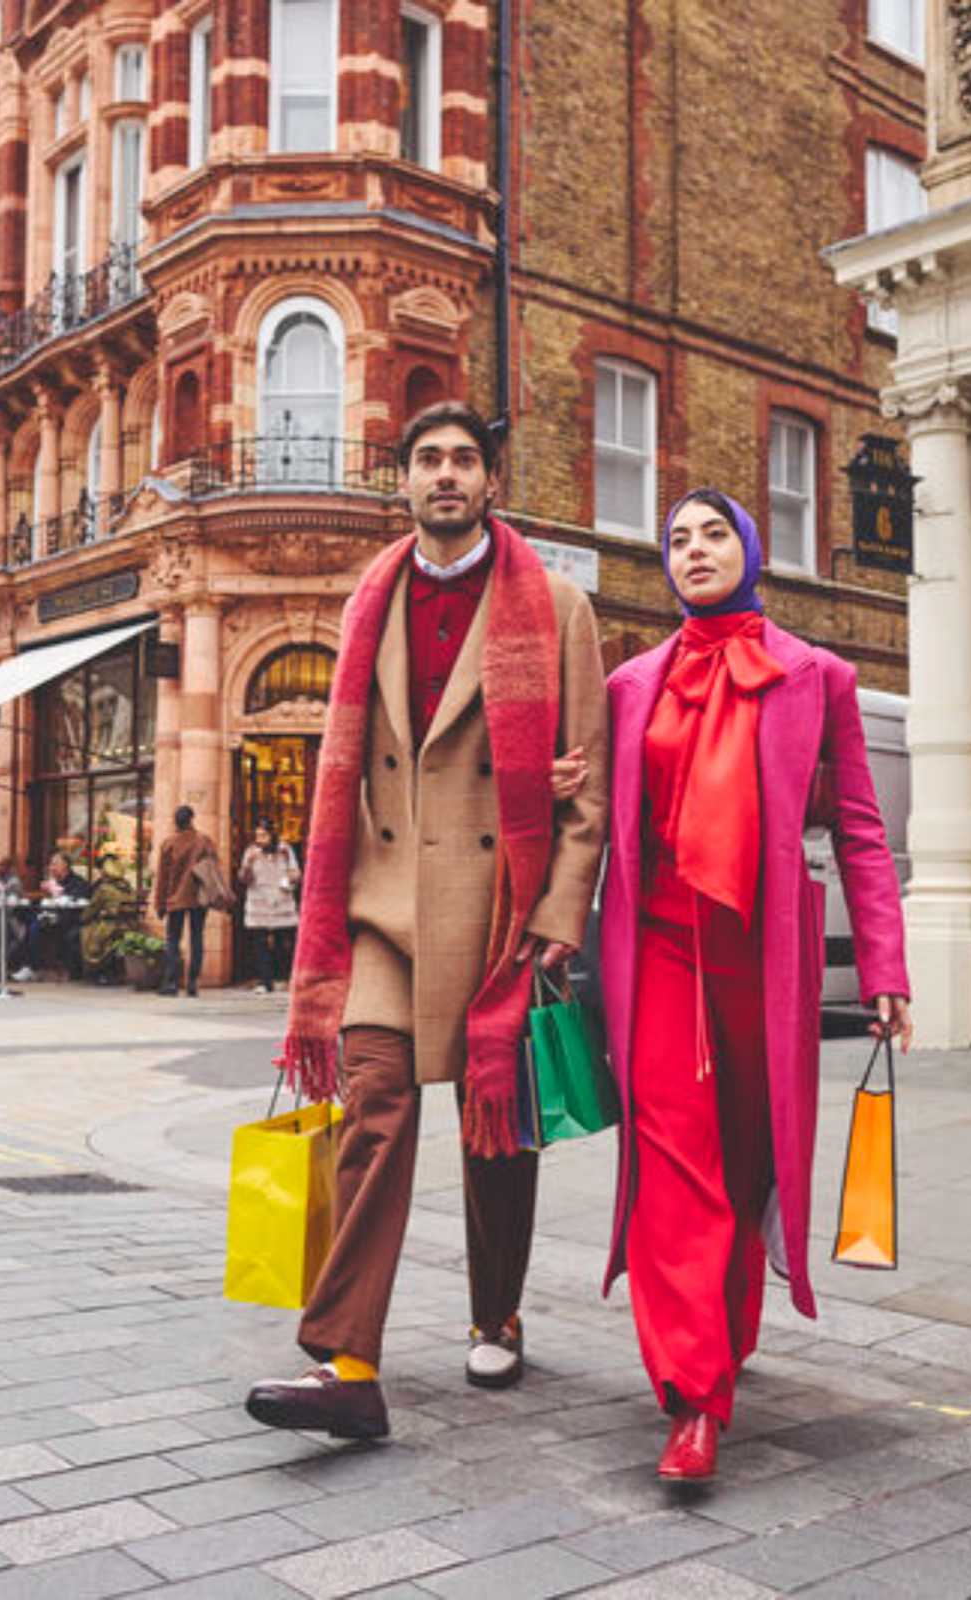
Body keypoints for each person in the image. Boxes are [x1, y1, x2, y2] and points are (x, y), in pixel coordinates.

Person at [244, 400, 608, 1443]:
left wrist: (558, 917)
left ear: (490, 481)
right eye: (426, 460)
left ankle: (495, 1309)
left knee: (496, 1132)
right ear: (399, 482)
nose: (444, 475)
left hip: (497, 910)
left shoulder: (557, 608)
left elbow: (585, 795)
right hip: (381, 909)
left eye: (462, 460)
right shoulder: (369, 599)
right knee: (374, 1111)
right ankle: (347, 1359)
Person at [597, 488, 911, 1483]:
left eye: (709, 534)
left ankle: (720, 1330)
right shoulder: (628, 684)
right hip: (654, 954)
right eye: (674, 538)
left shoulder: (816, 677)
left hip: (756, 962)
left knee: (743, 1158)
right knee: (672, 1162)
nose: (691, 550)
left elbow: (857, 827)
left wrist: (884, 965)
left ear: (748, 549)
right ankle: (691, 1395)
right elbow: (601, 820)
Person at [153, 806, 219, 997]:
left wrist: (160, 903)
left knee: (173, 939)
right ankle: (192, 983)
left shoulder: (169, 843)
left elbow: (162, 877)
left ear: (175, 821)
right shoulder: (204, 842)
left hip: (175, 898)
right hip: (198, 897)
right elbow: (214, 868)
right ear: (192, 819)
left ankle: (172, 982)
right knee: (197, 937)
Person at [238, 822, 299, 993]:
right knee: (260, 944)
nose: (260, 840)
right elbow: (244, 879)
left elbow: (296, 872)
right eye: (257, 836)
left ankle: (283, 978)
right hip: (259, 902)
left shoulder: (285, 850)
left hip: (281, 902)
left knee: (283, 942)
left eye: (263, 835)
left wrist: (290, 878)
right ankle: (265, 982)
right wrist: (248, 864)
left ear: (272, 835)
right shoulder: (251, 852)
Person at [79, 854, 135, 984]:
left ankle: (94, 971)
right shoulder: (127, 886)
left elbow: (90, 910)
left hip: (111, 927)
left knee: (83, 932)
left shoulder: (104, 889)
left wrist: (82, 918)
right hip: (129, 925)